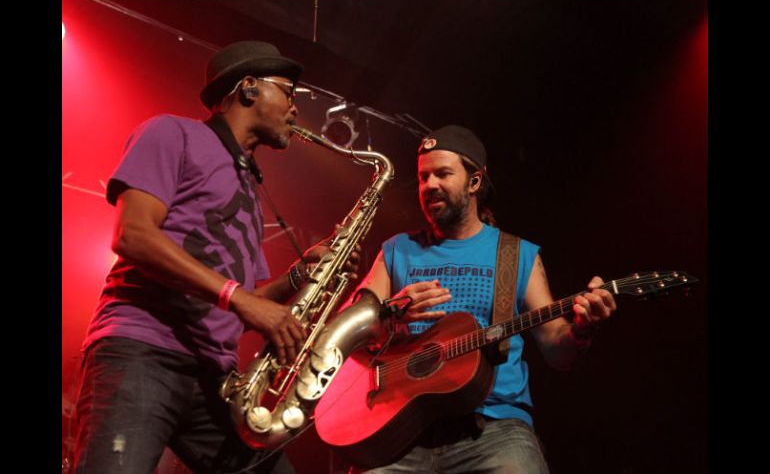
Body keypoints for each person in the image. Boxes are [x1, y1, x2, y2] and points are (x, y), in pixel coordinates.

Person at [72, 41, 357, 474]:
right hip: (141, 351)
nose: (295, 109)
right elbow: (133, 235)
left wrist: (302, 275)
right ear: (248, 88)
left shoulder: (247, 184)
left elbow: (248, 300)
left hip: (216, 379)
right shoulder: (172, 132)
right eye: (288, 92)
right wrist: (242, 300)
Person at [352, 125, 617, 473]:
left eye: (443, 174)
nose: (429, 185)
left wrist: (583, 328)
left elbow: (556, 349)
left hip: (494, 429)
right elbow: (349, 327)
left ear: (475, 182)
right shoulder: (397, 250)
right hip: (402, 429)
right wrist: (390, 313)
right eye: (423, 176)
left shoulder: (516, 254)